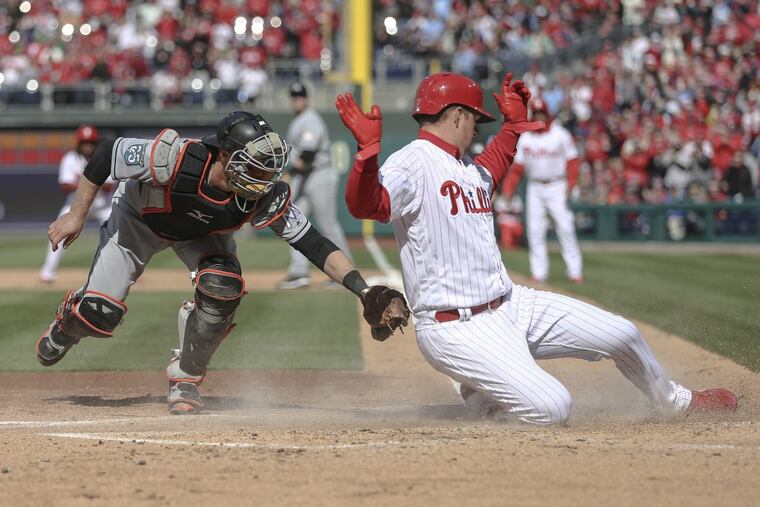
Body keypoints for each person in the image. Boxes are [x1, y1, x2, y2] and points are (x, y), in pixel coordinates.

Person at [335, 72, 738, 425]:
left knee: (623, 333)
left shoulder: (465, 164)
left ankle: (675, 403)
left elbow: (492, 166)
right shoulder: (414, 161)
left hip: (512, 305)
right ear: (456, 114)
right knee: (553, 407)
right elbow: (368, 205)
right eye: (475, 118)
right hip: (454, 329)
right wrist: (367, 157)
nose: (478, 128)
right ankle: (482, 396)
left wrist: (513, 126)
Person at [35, 111, 406, 414]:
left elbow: (311, 242)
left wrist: (364, 289)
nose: (263, 178)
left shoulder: (258, 196)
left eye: (267, 169)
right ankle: (69, 323)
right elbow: (106, 154)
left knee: (222, 287)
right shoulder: (173, 158)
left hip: (201, 235)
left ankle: (186, 378)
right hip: (140, 219)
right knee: (99, 313)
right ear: (226, 156)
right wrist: (75, 215)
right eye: (255, 166)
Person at [278, 82, 353, 289]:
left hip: (319, 175)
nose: (296, 100)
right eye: (294, 97)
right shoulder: (299, 120)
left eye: (300, 96)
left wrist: (288, 175)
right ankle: (299, 272)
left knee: (327, 224)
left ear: (307, 98)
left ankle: (346, 271)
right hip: (305, 177)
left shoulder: (311, 120)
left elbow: (307, 156)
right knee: (292, 221)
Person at [501, 99, 583, 284]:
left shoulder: (560, 135)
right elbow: (517, 168)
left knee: (566, 227)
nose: (539, 117)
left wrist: (570, 185)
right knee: (535, 231)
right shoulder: (527, 137)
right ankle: (539, 273)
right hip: (535, 187)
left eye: (542, 113)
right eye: (536, 114)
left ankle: (575, 271)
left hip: (557, 186)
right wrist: (508, 189)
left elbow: (572, 162)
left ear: (547, 114)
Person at [39, 125, 115, 284]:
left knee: (119, 233)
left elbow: (108, 187)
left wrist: (82, 181)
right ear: (79, 143)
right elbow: (65, 186)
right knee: (57, 232)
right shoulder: (70, 158)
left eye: (90, 142)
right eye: (84, 142)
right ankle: (48, 273)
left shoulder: (104, 157)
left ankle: (126, 272)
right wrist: (92, 181)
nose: (87, 146)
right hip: (75, 206)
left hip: (102, 206)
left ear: (96, 143)